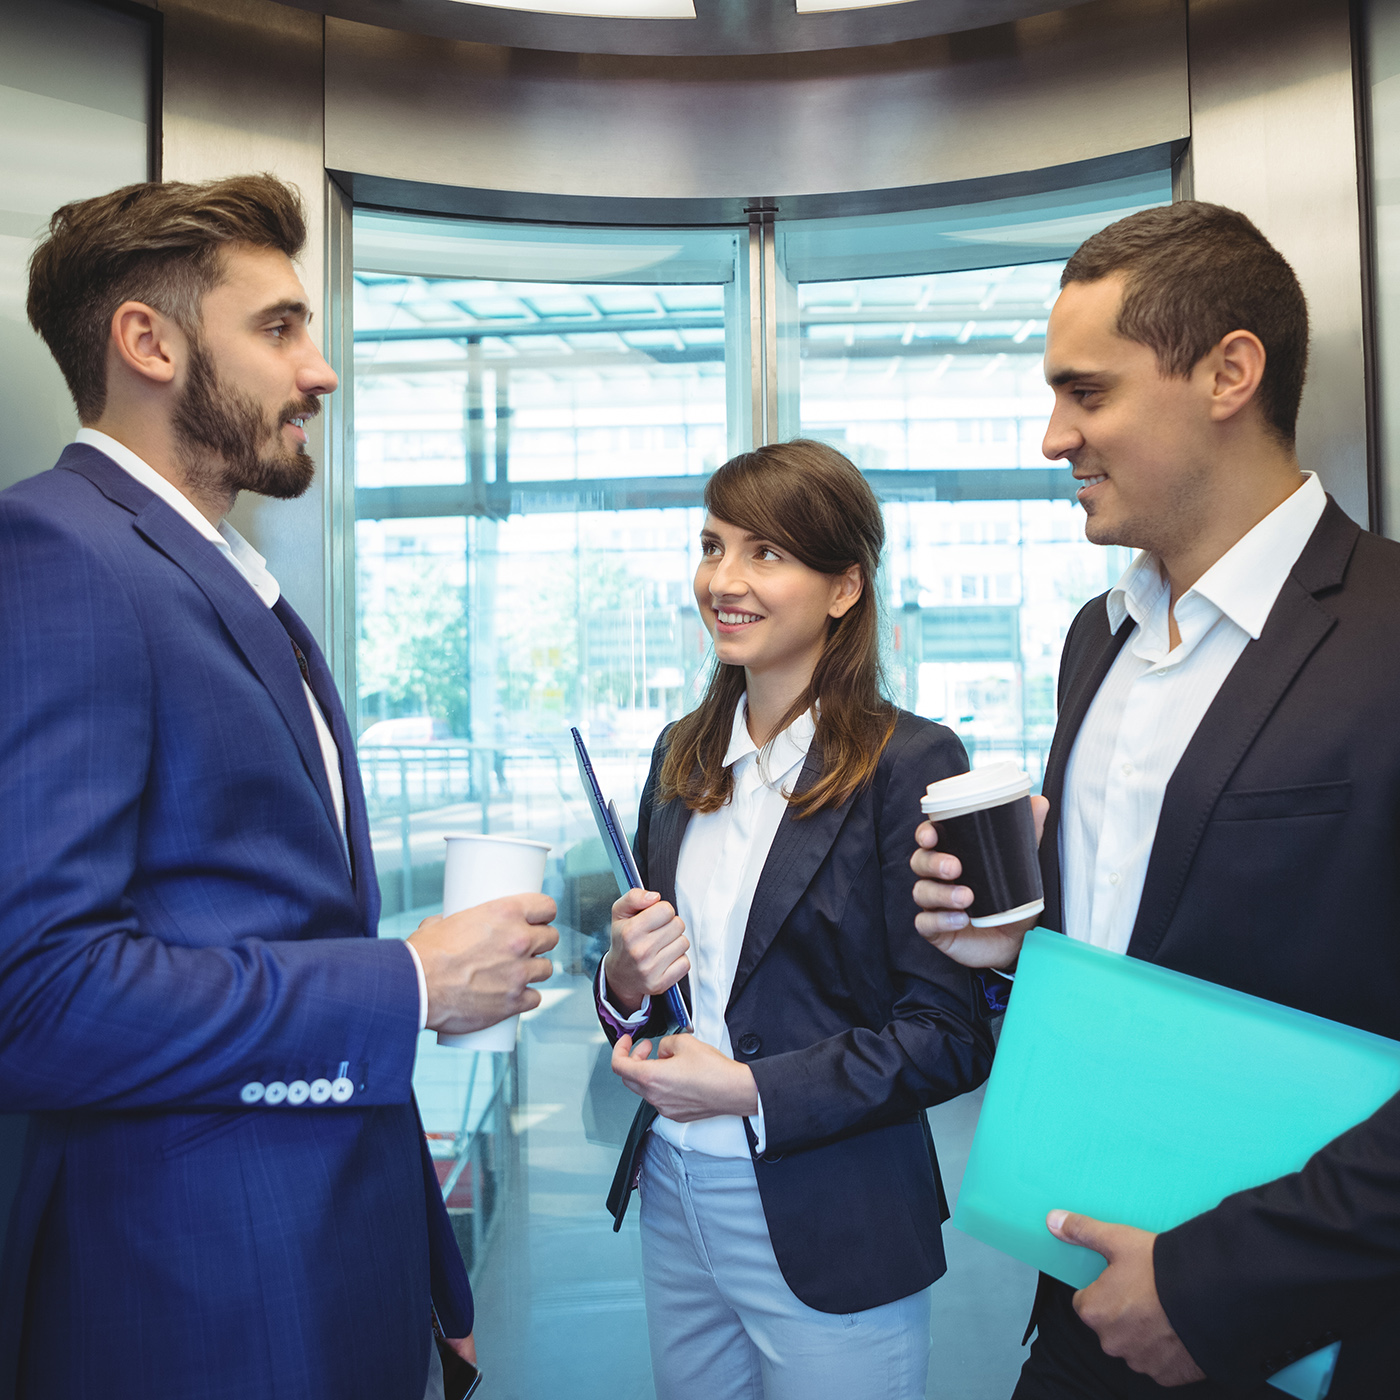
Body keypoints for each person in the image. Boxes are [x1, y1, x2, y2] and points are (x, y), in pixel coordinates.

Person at [0, 175, 559, 1400]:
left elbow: (272, 928)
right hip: (196, 1304)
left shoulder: (218, 571)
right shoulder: (60, 553)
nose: (321, 371)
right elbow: (34, 998)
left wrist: (423, 1264)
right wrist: (411, 978)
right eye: (278, 328)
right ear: (147, 341)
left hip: (321, 1270)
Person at [910, 201, 1400, 1398]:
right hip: (1074, 1298)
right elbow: (1148, 945)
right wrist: (1013, 950)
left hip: (1290, 1331)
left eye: (1087, 392)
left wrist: (1214, 1281)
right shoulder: (1098, 637)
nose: (1050, 435)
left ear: (1229, 371)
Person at [596, 440, 996, 1400]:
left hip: (834, 1209)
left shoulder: (912, 764)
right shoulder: (681, 754)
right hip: (674, 1194)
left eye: (766, 553)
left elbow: (948, 1035)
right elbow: (658, 996)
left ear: (845, 587)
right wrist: (622, 980)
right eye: (712, 545)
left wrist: (744, 1088)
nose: (723, 580)